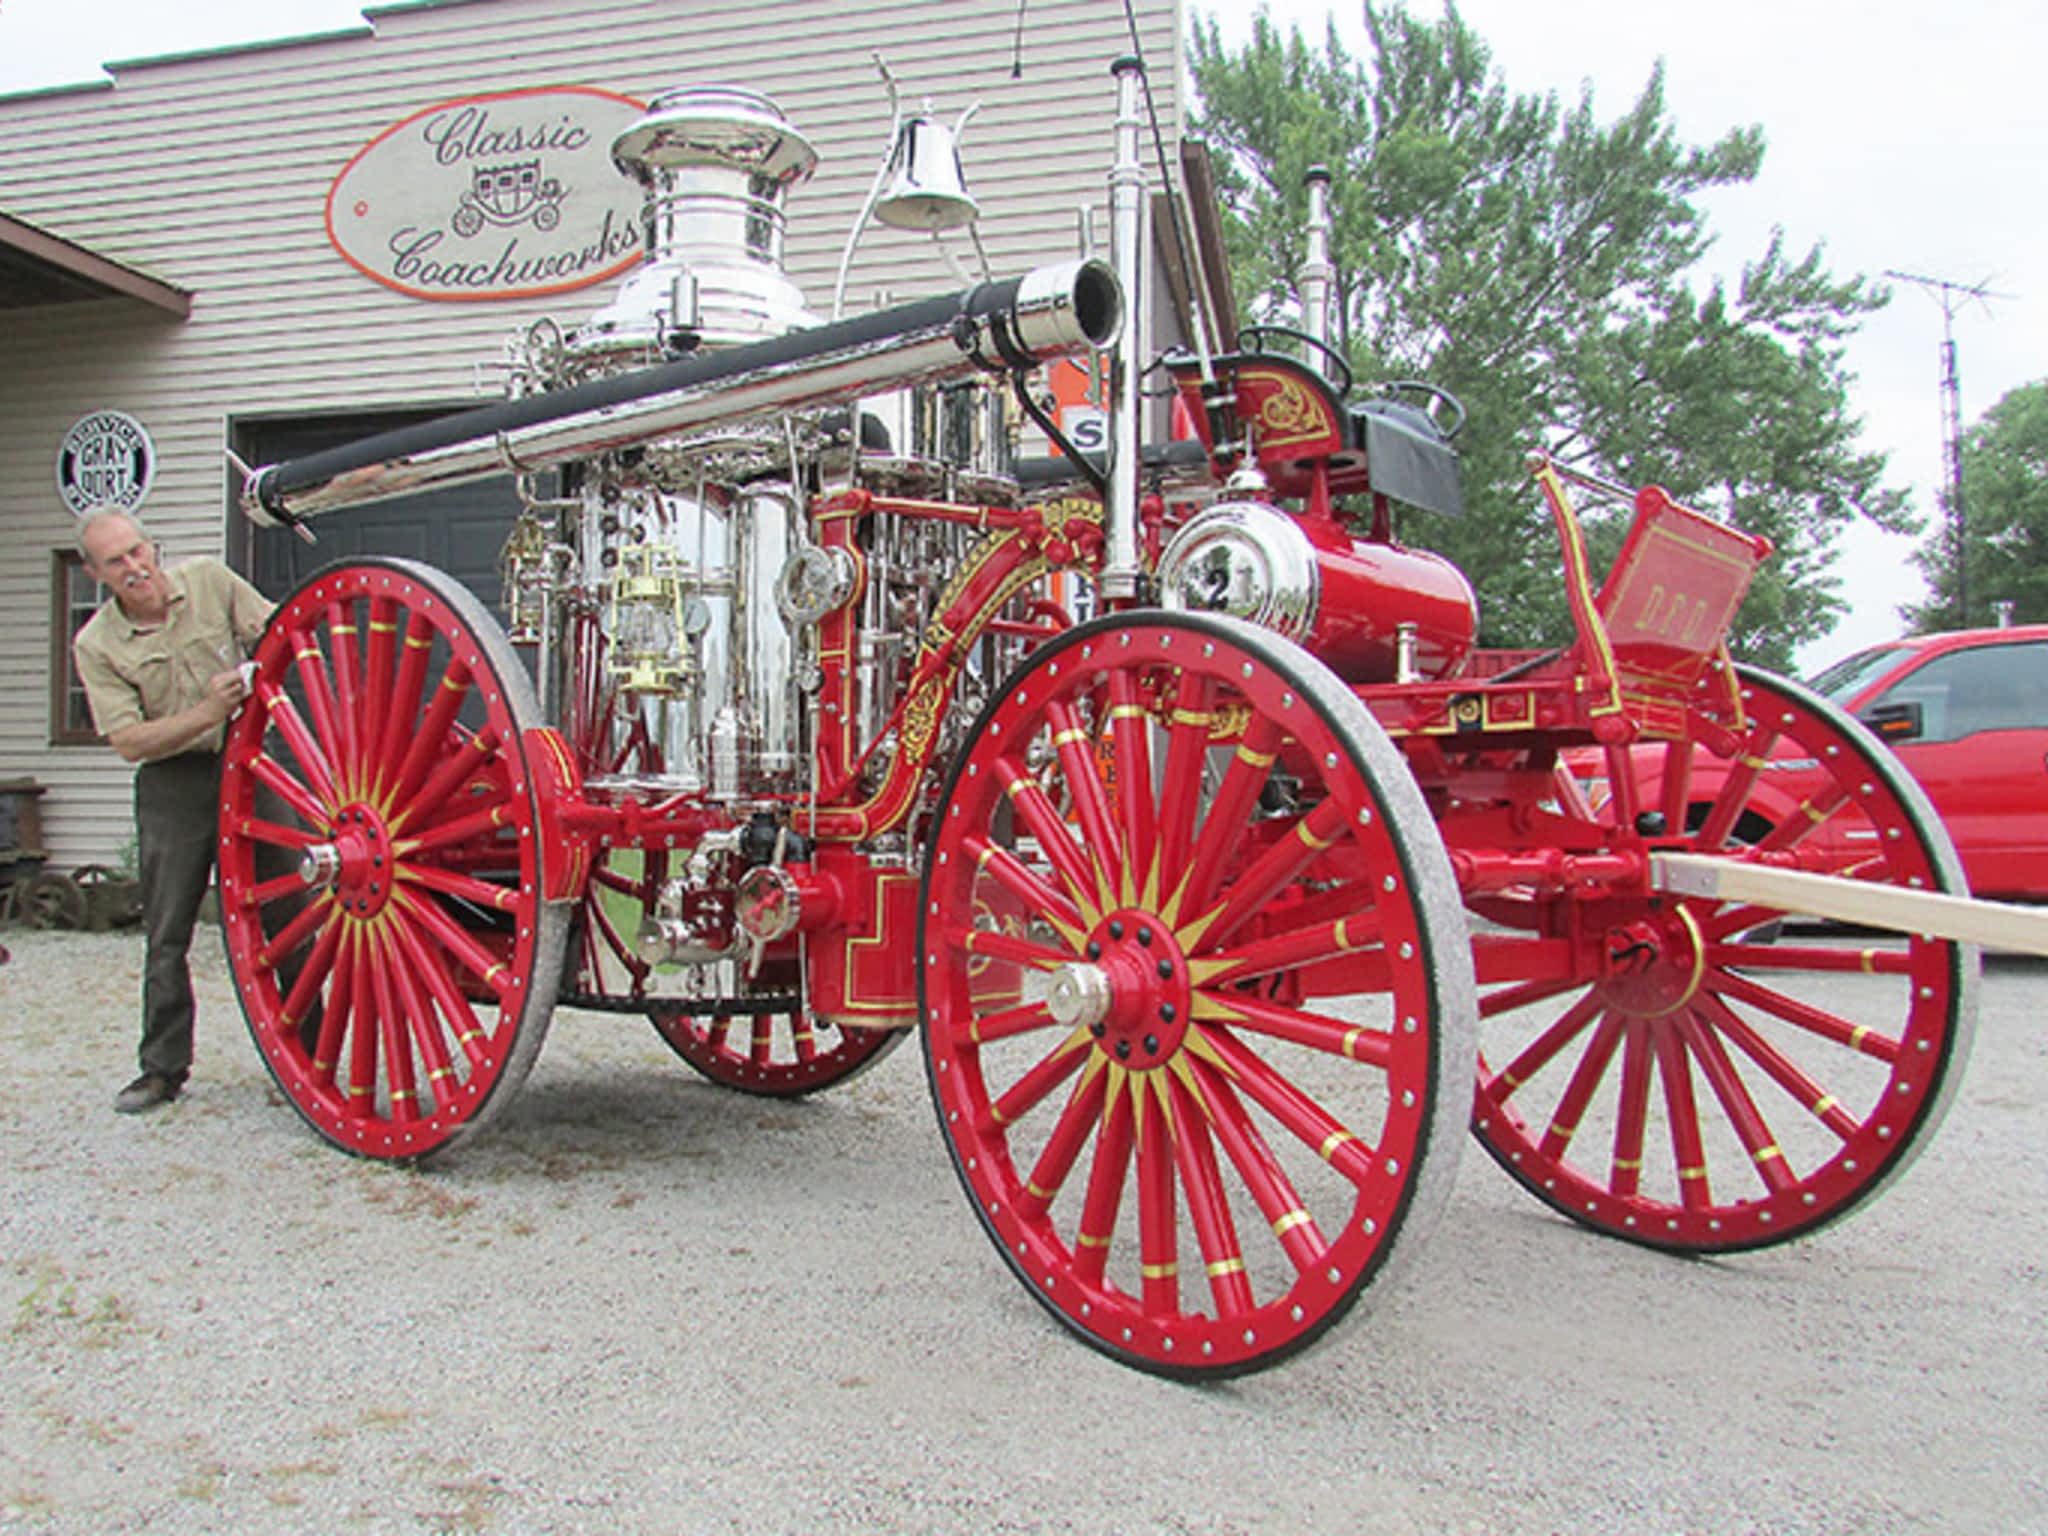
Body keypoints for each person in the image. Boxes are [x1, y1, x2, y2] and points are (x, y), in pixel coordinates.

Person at [72, 508, 273, 1113]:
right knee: (167, 932)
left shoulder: (211, 581)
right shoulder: (97, 644)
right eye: (116, 562)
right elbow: (131, 742)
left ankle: (310, 1064)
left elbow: (279, 634)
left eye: (138, 551)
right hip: (173, 783)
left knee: (293, 909)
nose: (134, 568)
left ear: (152, 546)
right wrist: (209, 713)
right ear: (93, 573)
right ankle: (161, 1071)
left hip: (253, 765)